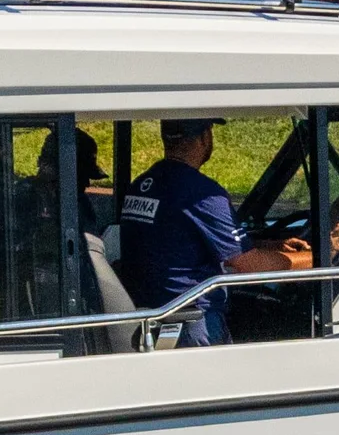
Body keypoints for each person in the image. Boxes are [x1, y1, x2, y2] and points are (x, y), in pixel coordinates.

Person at [120, 119, 318, 346]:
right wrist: (319, 255)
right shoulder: (202, 194)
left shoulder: (143, 184)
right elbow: (248, 265)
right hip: (194, 322)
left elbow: (176, 242)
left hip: (155, 318)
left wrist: (271, 246)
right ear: (205, 137)